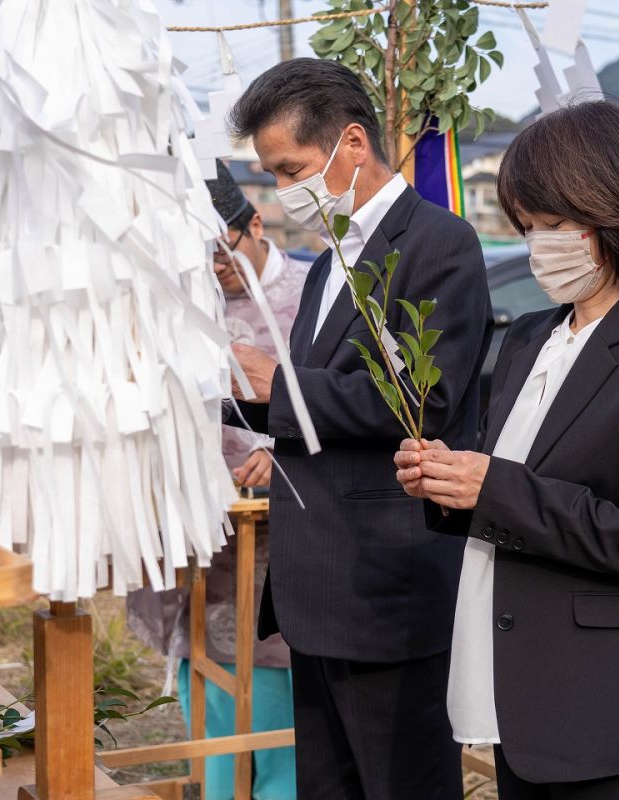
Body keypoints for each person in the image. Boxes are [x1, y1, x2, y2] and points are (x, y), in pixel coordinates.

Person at [394, 99, 619, 799]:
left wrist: (490, 487)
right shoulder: (527, 338)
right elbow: (511, 493)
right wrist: (448, 486)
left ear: (616, 209)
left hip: (608, 706)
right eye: (527, 227)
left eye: (554, 225)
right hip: (521, 688)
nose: (538, 244)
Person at [226, 58, 493, 800]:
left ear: (351, 142)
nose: (284, 191)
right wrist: (221, 395)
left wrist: (280, 384)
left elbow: (421, 405)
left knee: (401, 781)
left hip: (387, 583)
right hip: (316, 586)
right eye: (273, 174)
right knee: (330, 785)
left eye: (291, 168)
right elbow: (309, 408)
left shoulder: (441, 244)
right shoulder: (325, 266)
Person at [127, 161, 310, 800]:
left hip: (284, 533)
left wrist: (283, 448)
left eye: (221, 247)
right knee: (206, 686)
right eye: (197, 254)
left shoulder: (313, 297)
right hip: (207, 529)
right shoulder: (181, 303)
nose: (214, 265)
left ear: (254, 223)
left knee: (282, 707)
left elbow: (343, 406)